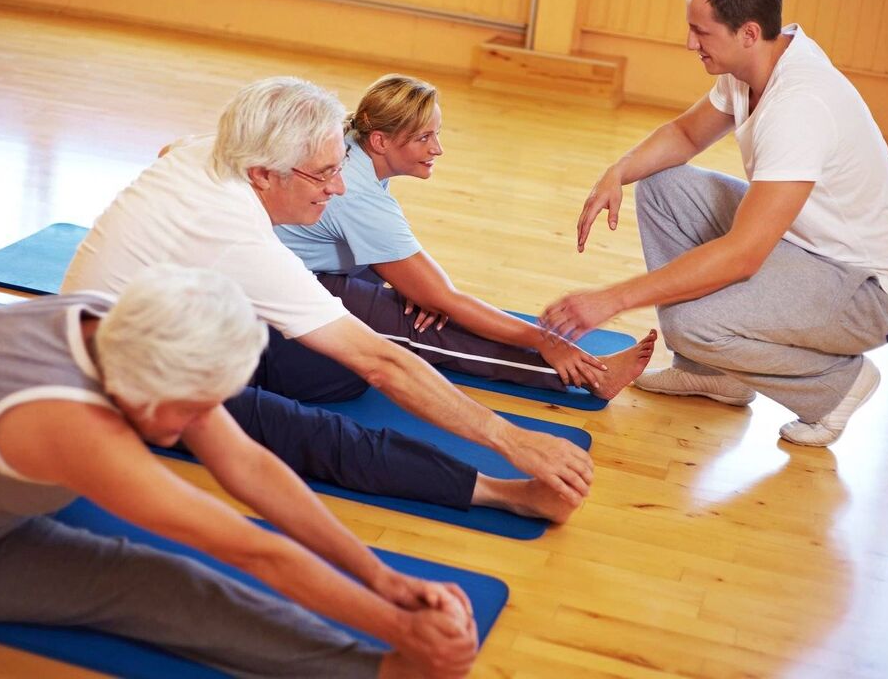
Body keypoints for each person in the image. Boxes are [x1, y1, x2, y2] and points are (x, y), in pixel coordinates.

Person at [0, 265, 477, 679]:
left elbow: (247, 464)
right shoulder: (68, 424)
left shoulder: (124, 329)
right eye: (193, 407)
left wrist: (383, 578)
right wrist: (399, 632)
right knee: (156, 582)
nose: (202, 421)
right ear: (151, 386)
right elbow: (253, 551)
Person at [62, 76, 591, 521]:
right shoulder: (235, 235)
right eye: (325, 173)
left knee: (334, 370)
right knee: (312, 431)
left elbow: (169, 148)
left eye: (340, 165)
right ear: (263, 173)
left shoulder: (212, 153)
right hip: (116, 380)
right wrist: (513, 440)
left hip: (162, 323)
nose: (338, 188)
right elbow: (385, 365)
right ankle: (503, 494)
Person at [541, 0, 888, 448]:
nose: (689, 43)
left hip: (868, 294)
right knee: (662, 184)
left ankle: (835, 386)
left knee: (691, 322)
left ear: (747, 32)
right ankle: (715, 374)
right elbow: (683, 134)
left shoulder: (799, 104)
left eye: (701, 32)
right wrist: (619, 170)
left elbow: (744, 255)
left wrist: (612, 298)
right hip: (808, 248)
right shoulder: (753, 62)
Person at [274, 74, 657, 398]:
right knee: (417, 324)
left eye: (436, 134)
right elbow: (449, 299)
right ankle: (590, 376)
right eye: (423, 138)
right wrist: (545, 340)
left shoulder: (354, 149)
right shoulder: (357, 192)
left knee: (426, 299)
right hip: (287, 283)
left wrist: (426, 292)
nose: (437, 148)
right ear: (380, 141)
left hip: (304, 258)